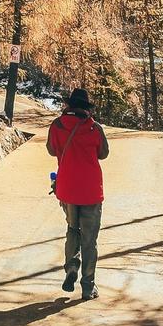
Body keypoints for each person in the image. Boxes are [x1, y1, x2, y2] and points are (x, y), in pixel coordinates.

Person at [46, 87, 109, 301]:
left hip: (67, 189)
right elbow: (104, 154)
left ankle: (71, 266)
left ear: (69, 105)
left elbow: (51, 150)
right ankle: (88, 286)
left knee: (73, 230)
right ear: (86, 108)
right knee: (89, 239)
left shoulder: (57, 125)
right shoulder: (94, 128)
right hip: (91, 190)